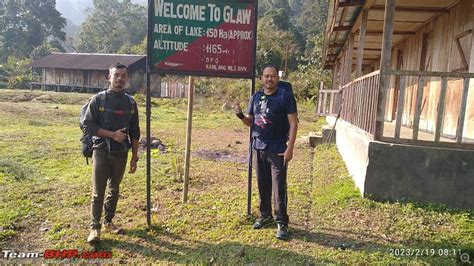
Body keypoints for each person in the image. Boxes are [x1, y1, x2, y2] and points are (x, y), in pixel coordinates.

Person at [234, 65, 298, 240]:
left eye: (273, 76)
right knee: (262, 185)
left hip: (278, 149)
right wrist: (240, 115)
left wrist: (290, 148)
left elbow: (293, 123)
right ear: (261, 78)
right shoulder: (255, 97)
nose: (269, 79)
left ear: (278, 78)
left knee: (279, 187)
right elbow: (250, 122)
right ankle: (265, 215)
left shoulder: (285, 96)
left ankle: (282, 222)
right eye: (266, 76)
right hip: (258, 147)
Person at [83, 63, 140, 244]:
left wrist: (134, 157)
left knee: (114, 191)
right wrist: (112, 135)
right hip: (100, 151)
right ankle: (94, 228)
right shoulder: (98, 100)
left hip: (121, 153)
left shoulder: (131, 103)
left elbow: (135, 132)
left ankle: (108, 222)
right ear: (109, 77)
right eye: (116, 75)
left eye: (123, 76)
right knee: (98, 192)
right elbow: (88, 126)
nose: (120, 79)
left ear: (126, 78)